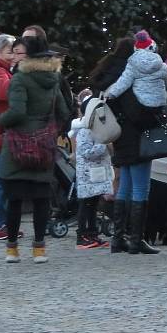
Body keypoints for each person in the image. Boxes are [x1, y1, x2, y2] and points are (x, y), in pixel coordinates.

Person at [90, 36, 162, 255]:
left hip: (119, 135)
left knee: (124, 186)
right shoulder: (129, 75)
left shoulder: (107, 74)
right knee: (141, 187)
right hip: (136, 136)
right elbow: (137, 111)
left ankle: (118, 239)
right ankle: (136, 239)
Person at [0, 36, 69, 263]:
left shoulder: (20, 79)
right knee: (41, 198)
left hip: (18, 146)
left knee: (14, 198)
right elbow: (63, 111)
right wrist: (49, 130)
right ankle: (39, 249)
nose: (16, 56)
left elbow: (17, 112)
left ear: (28, 56)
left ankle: (12, 249)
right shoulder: (53, 78)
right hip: (44, 145)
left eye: (19, 52)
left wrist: (2, 120)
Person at [69, 95, 113, 249]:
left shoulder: (94, 128)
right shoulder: (84, 130)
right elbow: (86, 151)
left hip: (95, 175)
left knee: (93, 205)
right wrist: (103, 144)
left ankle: (92, 233)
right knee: (85, 205)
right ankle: (82, 235)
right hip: (88, 176)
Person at [104, 30, 167, 109]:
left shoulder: (132, 64)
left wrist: (112, 94)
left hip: (141, 101)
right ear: (152, 47)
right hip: (160, 101)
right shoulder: (161, 64)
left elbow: (124, 81)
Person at [0, 34, 16, 241]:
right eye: (10, 51)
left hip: (2, 135)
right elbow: (3, 92)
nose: (12, 55)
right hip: (0, 137)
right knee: (1, 183)